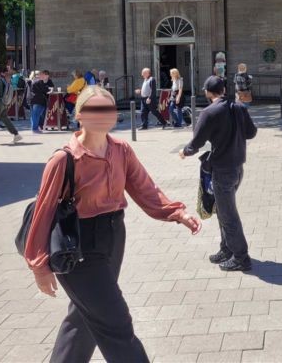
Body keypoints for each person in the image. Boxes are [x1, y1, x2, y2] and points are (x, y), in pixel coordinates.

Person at [24, 86, 201, 363]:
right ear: (80, 115)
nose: (103, 116)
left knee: (84, 318)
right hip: (78, 244)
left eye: (107, 109)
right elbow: (43, 212)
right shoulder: (64, 159)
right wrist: (39, 266)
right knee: (116, 324)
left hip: (113, 236)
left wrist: (176, 213)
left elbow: (144, 188)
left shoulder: (120, 149)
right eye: (95, 110)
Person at [179, 76, 257, 272]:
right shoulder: (238, 107)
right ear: (223, 90)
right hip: (238, 167)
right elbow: (251, 132)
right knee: (223, 210)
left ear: (207, 92)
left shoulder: (209, 112)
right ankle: (227, 249)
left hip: (222, 170)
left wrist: (184, 152)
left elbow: (196, 142)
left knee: (227, 214)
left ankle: (241, 257)